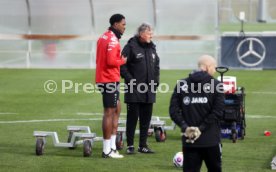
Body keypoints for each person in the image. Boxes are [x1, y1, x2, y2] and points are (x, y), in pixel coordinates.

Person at [169, 55, 225, 172]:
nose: (214, 70)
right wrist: (201, 128)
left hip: (190, 140)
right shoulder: (216, 85)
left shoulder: (182, 84)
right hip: (211, 140)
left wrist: (185, 127)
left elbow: (173, 111)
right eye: (214, 67)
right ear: (207, 67)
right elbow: (218, 112)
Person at [120, 23, 160, 154]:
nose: (151, 36)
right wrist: (131, 80)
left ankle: (143, 145)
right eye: (149, 33)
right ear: (141, 34)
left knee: (146, 119)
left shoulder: (152, 47)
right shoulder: (130, 47)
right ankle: (130, 146)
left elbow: (156, 66)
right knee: (132, 118)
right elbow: (122, 66)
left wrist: (156, 81)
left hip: (149, 90)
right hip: (134, 90)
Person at [95, 14, 127, 158]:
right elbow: (110, 61)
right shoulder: (113, 40)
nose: (124, 27)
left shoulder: (103, 36)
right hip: (109, 79)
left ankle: (112, 146)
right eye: (123, 24)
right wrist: (123, 61)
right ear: (115, 24)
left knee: (116, 108)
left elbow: (99, 58)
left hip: (104, 78)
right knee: (109, 112)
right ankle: (107, 150)